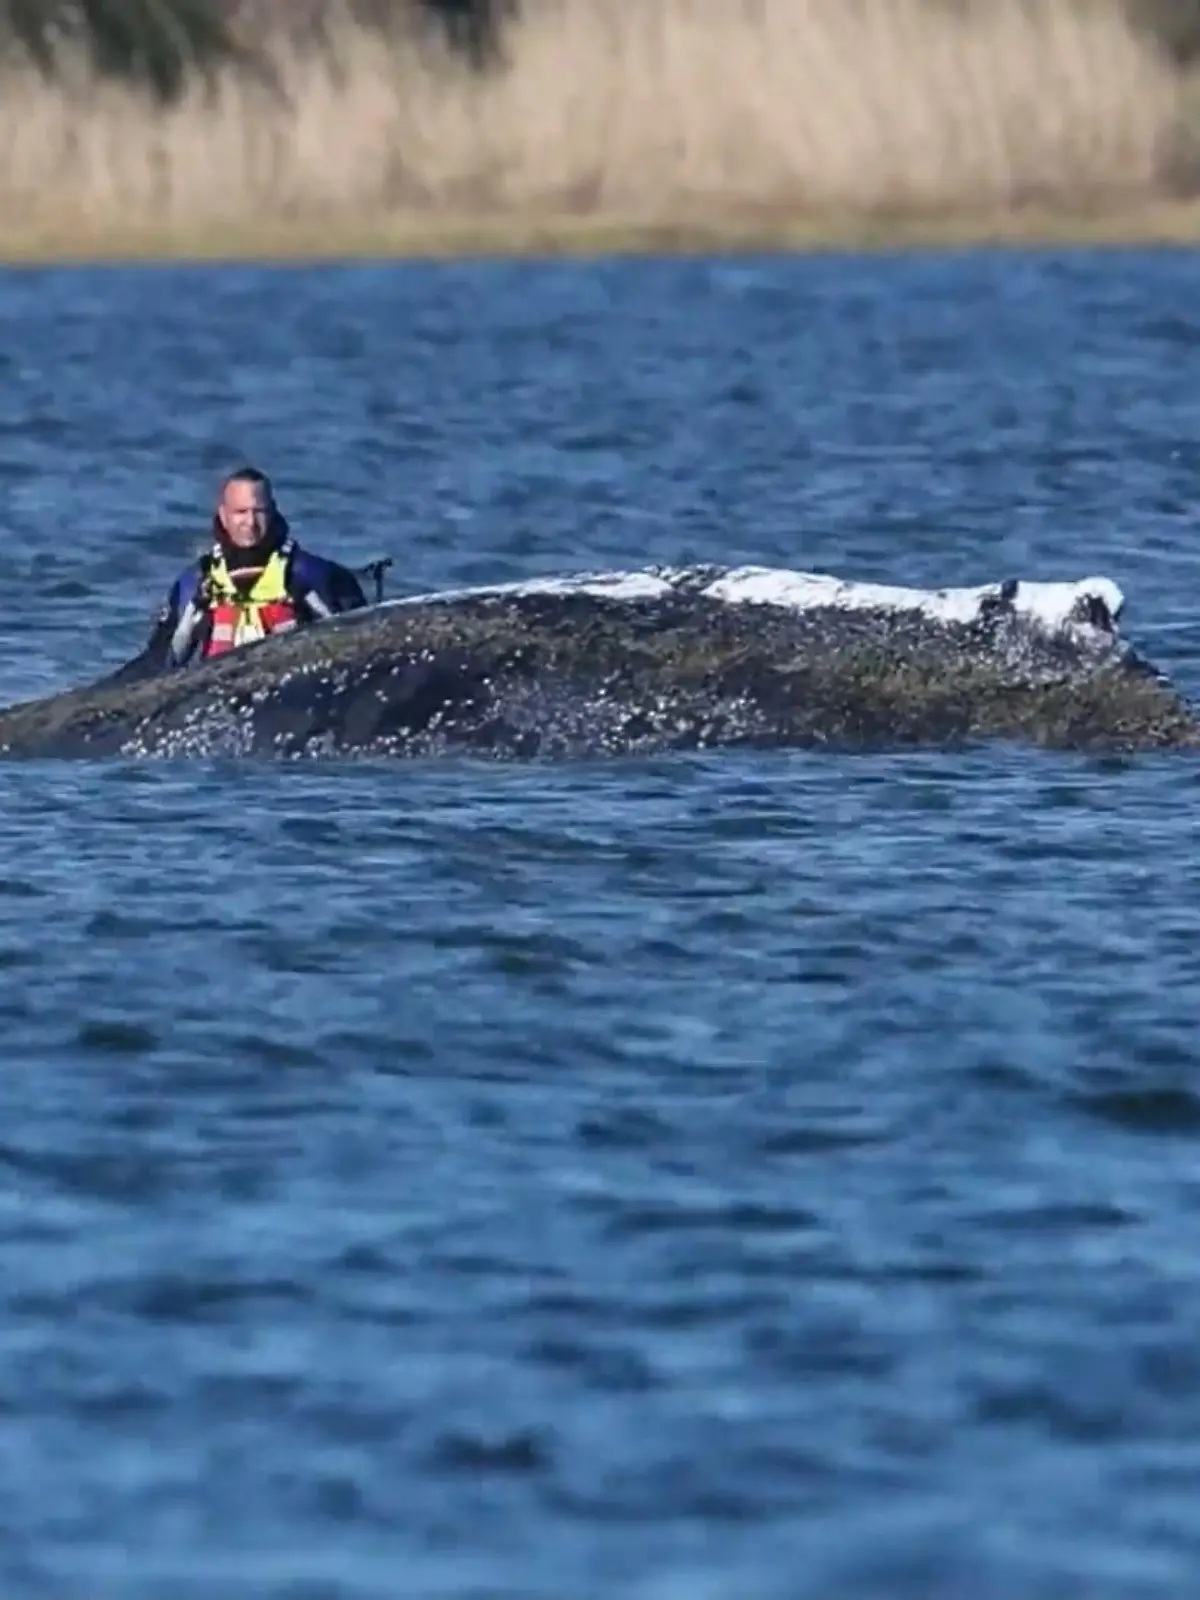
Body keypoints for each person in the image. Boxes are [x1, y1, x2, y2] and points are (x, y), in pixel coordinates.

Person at [145, 466, 368, 670]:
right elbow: (159, 664)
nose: (250, 522)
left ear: (272, 511)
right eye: (240, 512)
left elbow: (358, 647)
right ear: (223, 515)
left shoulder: (311, 575)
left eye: (258, 511)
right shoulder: (194, 583)